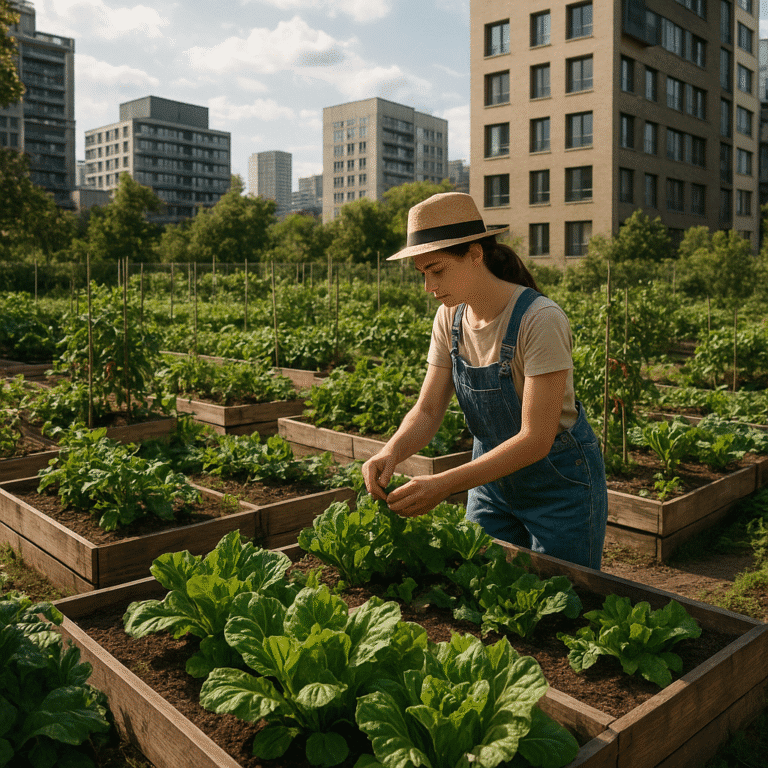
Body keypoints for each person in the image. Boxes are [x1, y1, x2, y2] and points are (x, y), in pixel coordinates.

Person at [362, 192, 608, 569]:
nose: (429, 287)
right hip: (490, 482)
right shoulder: (450, 320)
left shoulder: (539, 320)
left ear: (475, 254)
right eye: (422, 273)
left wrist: (443, 484)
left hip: (558, 484)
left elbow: (536, 439)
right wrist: (390, 452)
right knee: (483, 585)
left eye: (437, 270)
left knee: (563, 603)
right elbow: (427, 411)